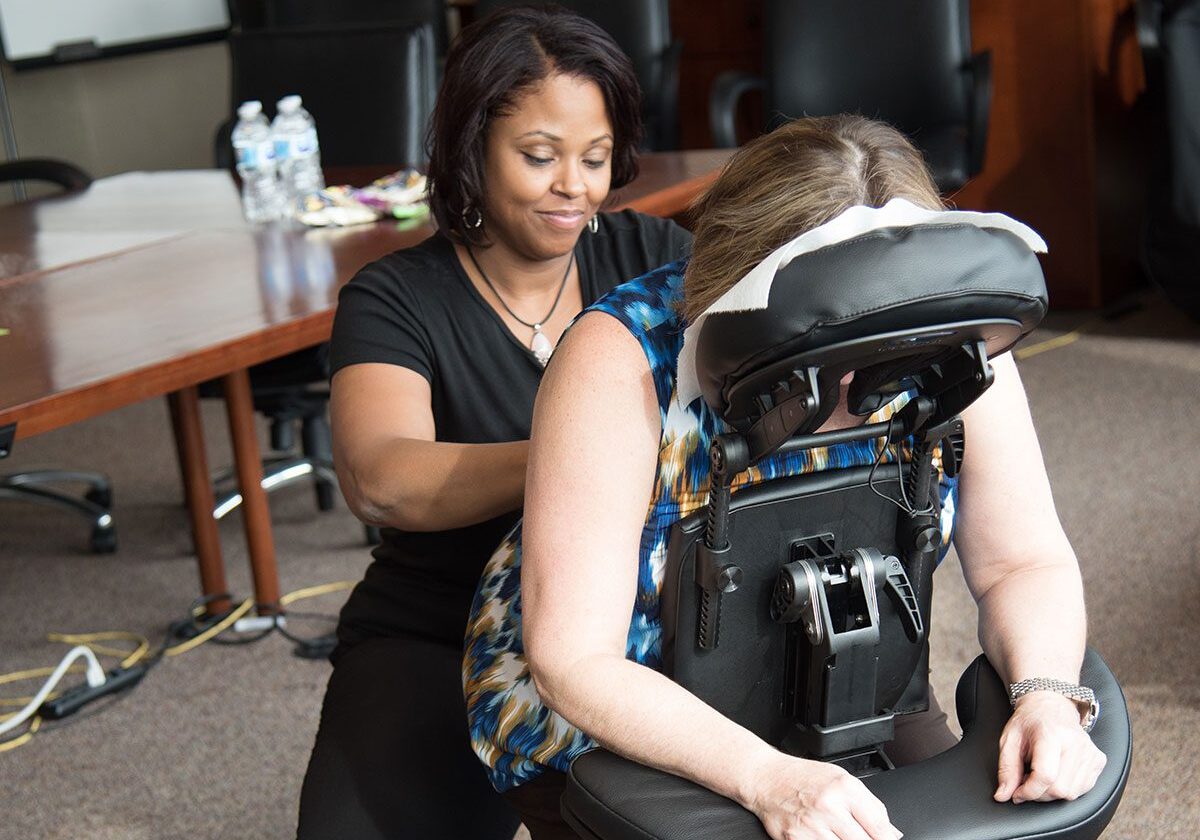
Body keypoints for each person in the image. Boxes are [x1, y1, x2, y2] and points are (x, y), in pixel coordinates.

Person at [463, 115, 1108, 840]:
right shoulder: (619, 359)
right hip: (623, 715)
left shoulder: (947, 340)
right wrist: (767, 776)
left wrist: (1047, 695)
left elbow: (1025, 560)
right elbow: (573, 661)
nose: (858, 387)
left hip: (851, 673)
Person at [296, 7, 693, 839]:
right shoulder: (396, 297)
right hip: (438, 625)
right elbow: (382, 478)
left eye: (595, 158)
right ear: (470, 147)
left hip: (648, 609)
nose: (575, 187)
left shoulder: (654, 256)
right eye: (540, 158)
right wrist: (586, 453)